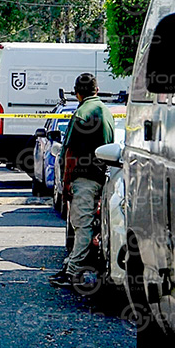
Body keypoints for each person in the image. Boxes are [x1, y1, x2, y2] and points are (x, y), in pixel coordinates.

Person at [50, 73, 114, 288]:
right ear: (96, 89)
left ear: (77, 92)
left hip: (84, 177)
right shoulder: (107, 112)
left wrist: (66, 182)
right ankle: (76, 265)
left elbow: (70, 153)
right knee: (93, 225)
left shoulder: (81, 114)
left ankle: (73, 271)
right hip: (103, 176)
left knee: (82, 225)